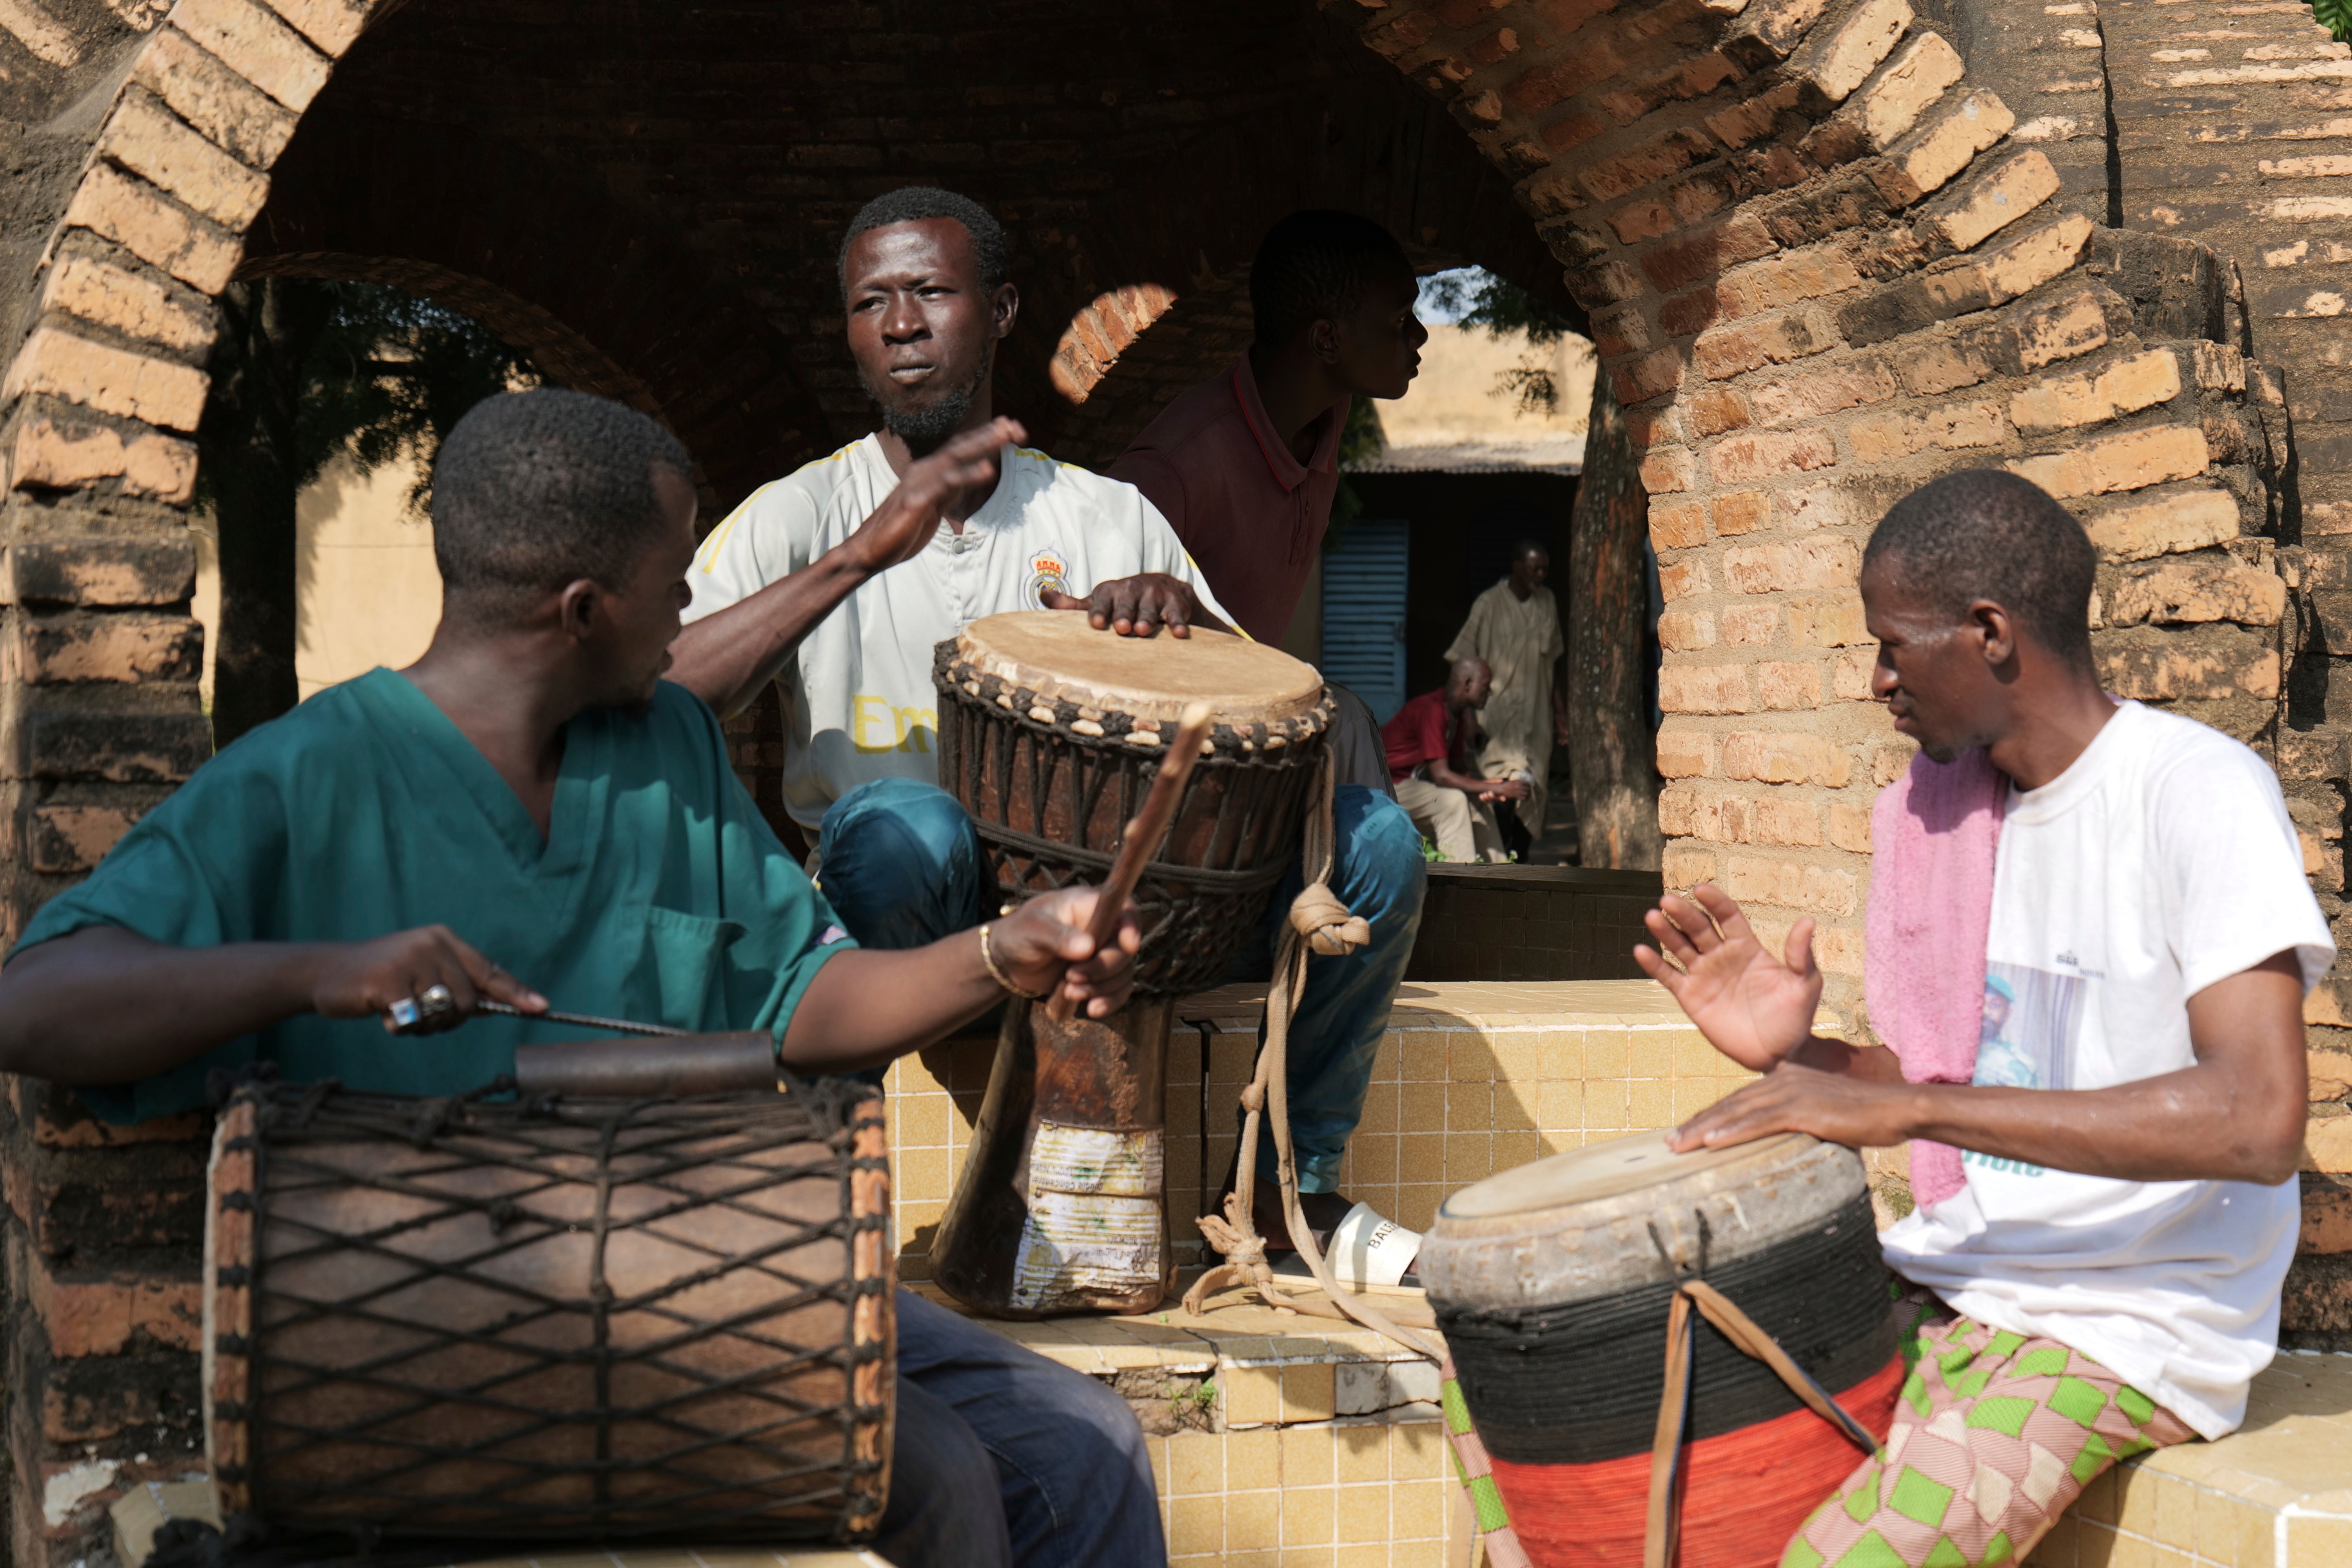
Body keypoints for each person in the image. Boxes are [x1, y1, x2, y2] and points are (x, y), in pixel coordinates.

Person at [0, 389, 1163, 1568]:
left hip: (712, 1263)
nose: (686, 606)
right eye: (671, 580)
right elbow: (34, 1003)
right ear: (580, 609)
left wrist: (999, 952)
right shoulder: (303, 779)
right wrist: (318, 971)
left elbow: (806, 1004)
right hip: (440, 1314)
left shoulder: (667, 744)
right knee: (936, 1480)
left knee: (1087, 1443)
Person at [668, 186, 1428, 1274]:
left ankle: (1281, 1197)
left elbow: (1265, 718)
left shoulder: (1102, 513)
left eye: (931, 292)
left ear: (1003, 309)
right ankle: (839, 1173)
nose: (900, 324)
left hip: (1130, 912)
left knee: (1378, 844)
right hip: (927, 913)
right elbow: (659, 693)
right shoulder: (803, 512)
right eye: (870, 302)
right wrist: (858, 558)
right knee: (898, 821)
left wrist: (1180, 637)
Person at [1635, 469, 2327, 1567]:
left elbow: (2256, 1119)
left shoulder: (2194, 791)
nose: (1877, 680)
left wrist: (1905, 1106)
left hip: (2131, 1321)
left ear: (1989, 632)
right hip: (1963, 1267)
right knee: (1626, 1419)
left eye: (1894, 644)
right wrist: (1800, 1056)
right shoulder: (1941, 812)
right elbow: (1956, 1087)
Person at [1444, 538, 1568, 841]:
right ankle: (1503, 861)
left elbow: (1552, 664)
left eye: (1545, 570)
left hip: (1536, 719)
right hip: (1497, 720)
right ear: (1517, 568)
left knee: (1533, 790)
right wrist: (1469, 720)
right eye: (1534, 569)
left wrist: (1560, 715)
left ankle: (1521, 861)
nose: (1540, 575)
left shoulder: (1547, 601)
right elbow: (1461, 662)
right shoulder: (1488, 604)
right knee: (1500, 790)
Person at [1384, 657, 1525, 863]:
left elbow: (1458, 770)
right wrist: (1501, 789)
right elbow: (1442, 777)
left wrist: (1486, 789)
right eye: (1486, 686)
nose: (1490, 692)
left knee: (1476, 802)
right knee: (1453, 801)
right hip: (1387, 787)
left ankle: (1501, 873)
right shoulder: (1433, 710)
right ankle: (1462, 881)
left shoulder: (1455, 715)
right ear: (1468, 685)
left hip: (1414, 786)